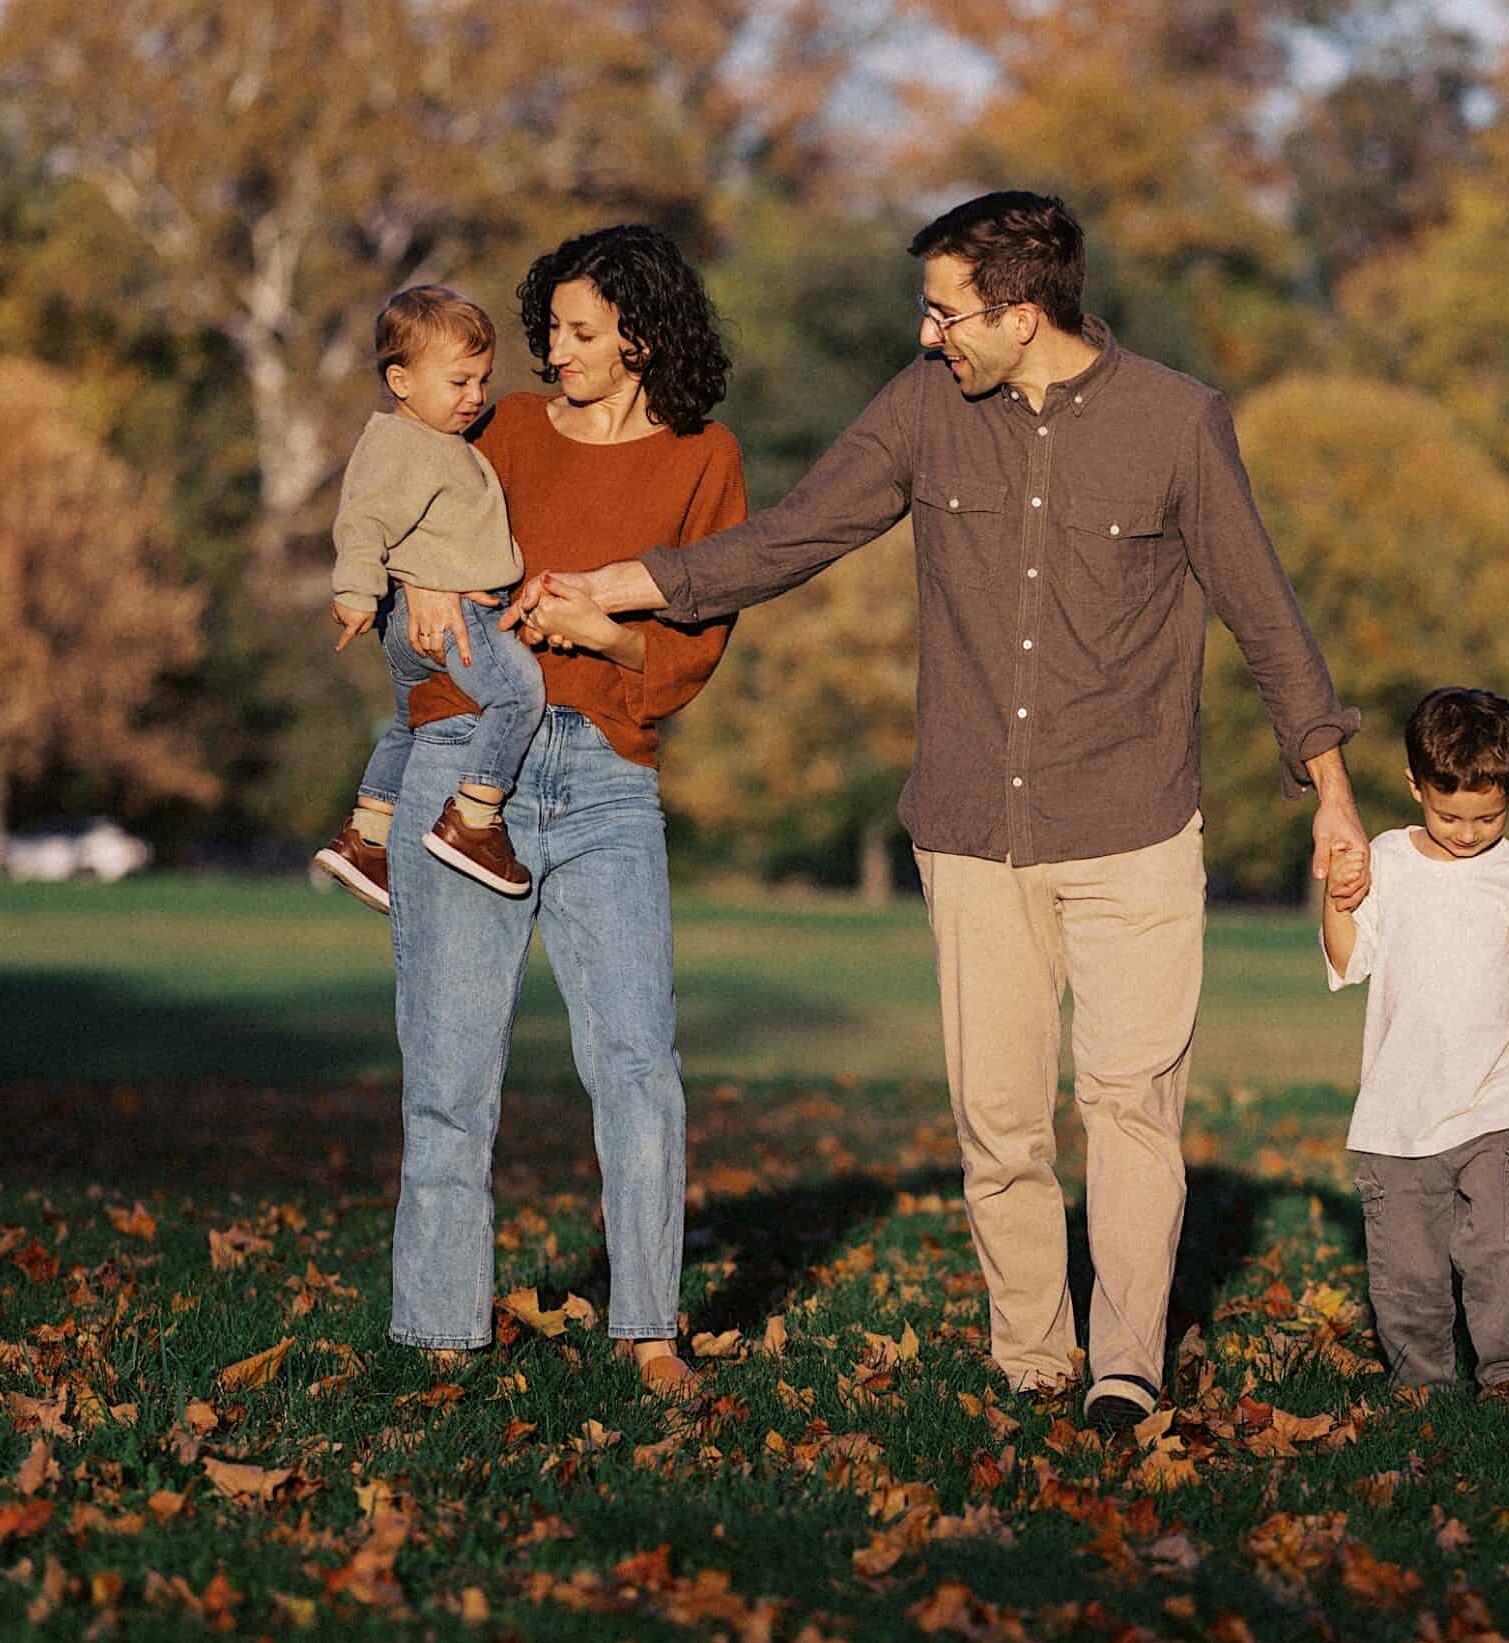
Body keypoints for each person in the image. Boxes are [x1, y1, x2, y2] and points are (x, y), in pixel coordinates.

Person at [530, 191, 1371, 1432]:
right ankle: (1034, 1358)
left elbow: (1263, 612)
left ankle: (1125, 1364)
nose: (928, 335)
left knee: (1132, 1106)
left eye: (945, 312)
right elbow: (796, 536)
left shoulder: (1176, 422)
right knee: (998, 1120)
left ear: (1022, 316)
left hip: (1134, 822)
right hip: (974, 826)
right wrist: (627, 582)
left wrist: (1334, 795)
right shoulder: (926, 408)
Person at [384, 226, 744, 1393]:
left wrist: (599, 631)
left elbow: (693, 652)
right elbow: (392, 483)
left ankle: (647, 1329)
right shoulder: (502, 428)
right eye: (550, 331)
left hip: (604, 782)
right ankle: (439, 1332)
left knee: (639, 1064)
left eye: (582, 334)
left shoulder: (703, 459)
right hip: (460, 760)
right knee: (448, 1070)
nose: (553, 353)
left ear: (644, 337)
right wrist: (417, 573)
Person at [1319, 688, 1509, 1401]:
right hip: (1398, 1115)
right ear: (1415, 786)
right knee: (1406, 1268)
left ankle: (1506, 1370)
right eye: (1449, 815)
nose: (1468, 833)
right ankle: (1422, 1383)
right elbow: (1349, 962)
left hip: (1497, 1103)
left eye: (1488, 816)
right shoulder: (1387, 862)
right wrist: (1336, 898)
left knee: (1501, 1245)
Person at [314, 285, 546, 910]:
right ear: (401, 380)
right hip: (457, 619)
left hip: (415, 624)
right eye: (459, 381)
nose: (476, 396)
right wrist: (357, 592)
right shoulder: (402, 446)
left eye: (482, 380)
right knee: (519, 692)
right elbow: (362, 521)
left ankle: (366, 836)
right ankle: (474, 819)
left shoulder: (438, 442)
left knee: (411, 722)